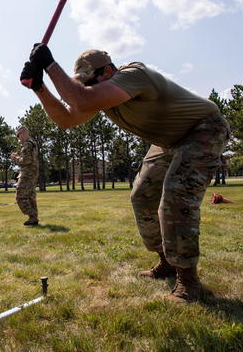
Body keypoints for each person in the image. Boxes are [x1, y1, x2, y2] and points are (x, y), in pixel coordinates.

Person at [20, 44, 230, 303]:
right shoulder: (98, 93)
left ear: (108, 70)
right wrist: (39, 87)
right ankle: (166, 261)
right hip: (168, 141)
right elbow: (66, 119)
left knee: (177, 198)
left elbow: (82, 98)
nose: (87, 87)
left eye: (90, 81)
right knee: (142, 196)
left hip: (203, 129)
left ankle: (188, 281)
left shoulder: (134, 74)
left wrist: (50, 65)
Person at [10, 126, 39, 226]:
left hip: (27, 174)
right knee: (31, 196)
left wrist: (16, 158)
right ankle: (34, 218)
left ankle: (32, 215)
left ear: (23, 132)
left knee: (20, 197)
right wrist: (20, 156)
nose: (18, 138)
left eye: (18, 135)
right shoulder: (33, 143)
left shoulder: (27, 144)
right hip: (33, 173)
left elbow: (26, 161)